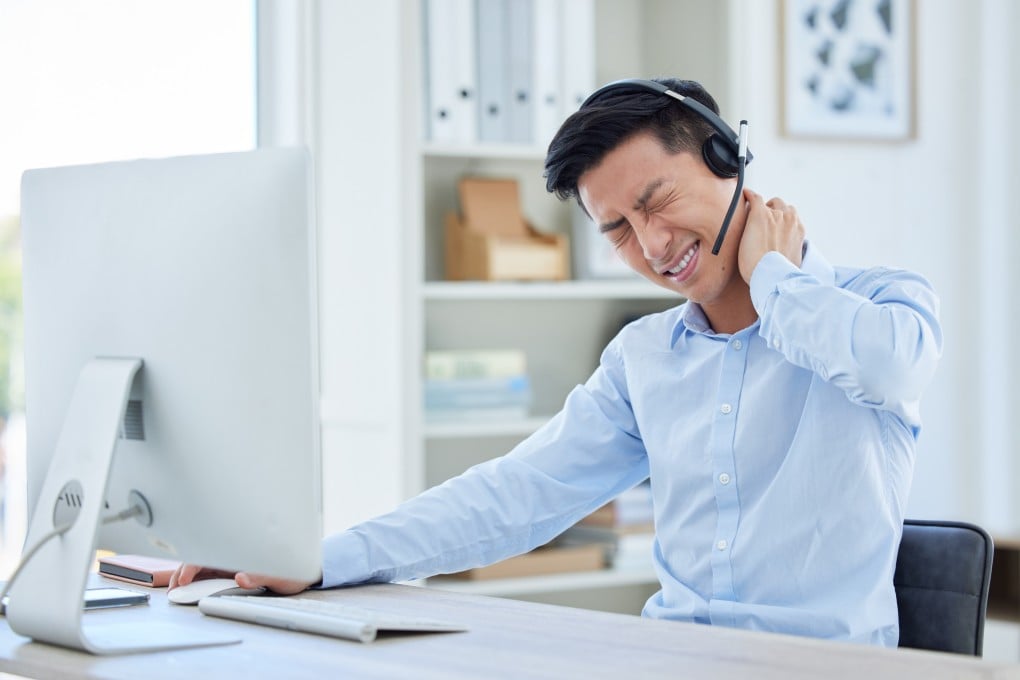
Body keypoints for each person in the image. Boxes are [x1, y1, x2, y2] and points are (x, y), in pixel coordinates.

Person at [171, 77, 942, 646]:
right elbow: (516, 494)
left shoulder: (881, 304)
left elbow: (889, 371)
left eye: (658, 200)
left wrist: (777, 279)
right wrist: (317, 560)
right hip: (669, 658)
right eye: (617, 229)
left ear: (725, 160)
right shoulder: (645, 358)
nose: (650, 246)